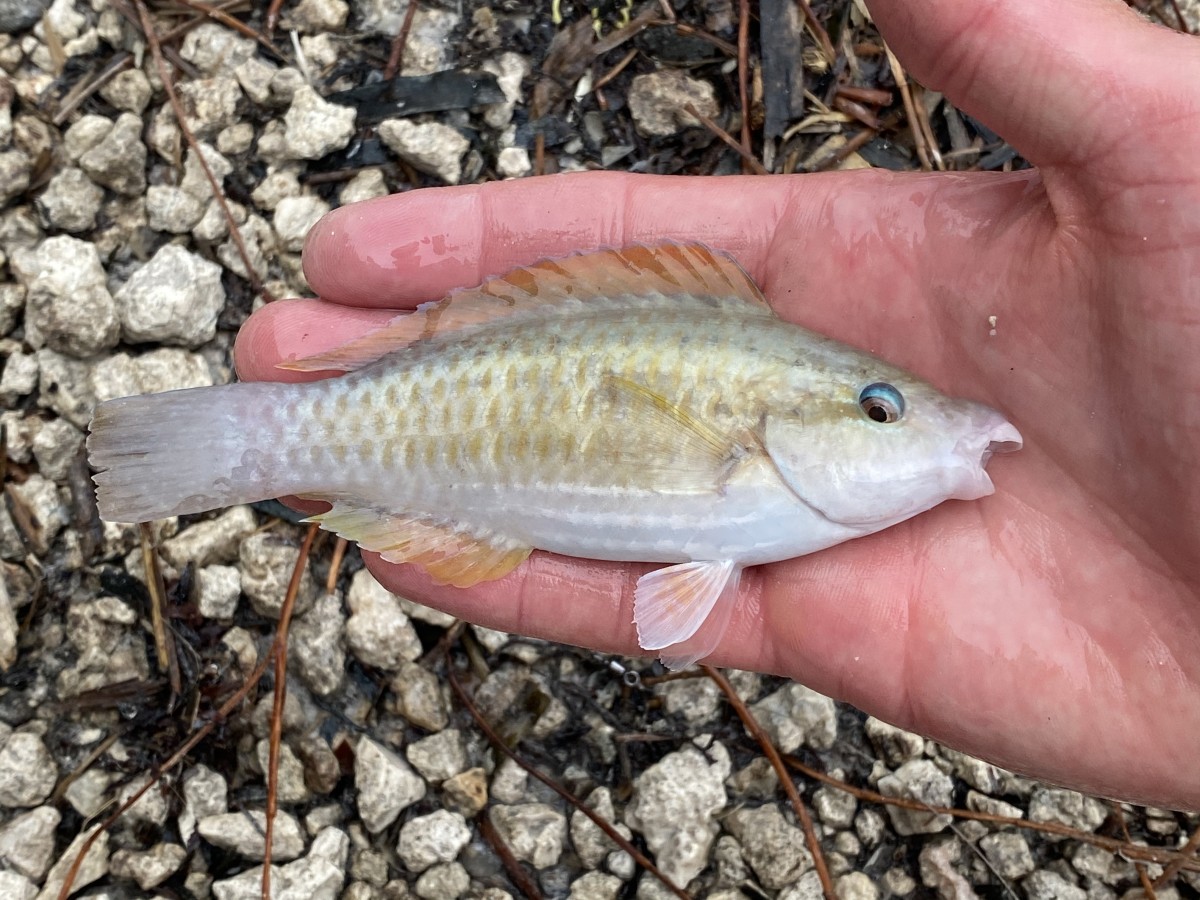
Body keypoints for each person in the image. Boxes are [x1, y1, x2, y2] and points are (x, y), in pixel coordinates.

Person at [234, 0, 1200, 811]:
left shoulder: (784, 450)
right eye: (881, 406)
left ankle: (266, 442)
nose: (939, 424)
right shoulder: (757, 434)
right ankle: (262, 441)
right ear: (796, 414)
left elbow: (675, 607)